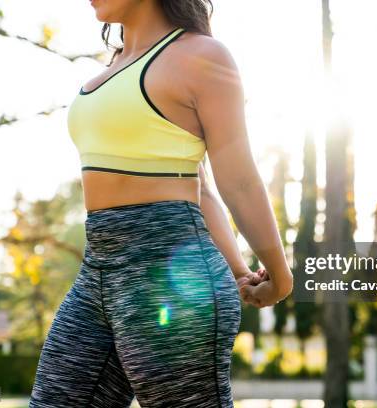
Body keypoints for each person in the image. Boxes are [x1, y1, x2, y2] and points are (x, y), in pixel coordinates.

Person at [29, 0, 293, 407]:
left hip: (171, 277)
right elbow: (199, 187)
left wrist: (278, 273)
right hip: (98, 270)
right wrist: (239, 269)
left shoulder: (201, 56)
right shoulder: (114, 65)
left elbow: (237, 180)